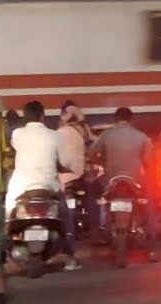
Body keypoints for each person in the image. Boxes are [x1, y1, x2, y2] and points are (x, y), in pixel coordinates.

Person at [7, 100, 80, 270]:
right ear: (43, 116)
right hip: (49, 188)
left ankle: (6, 242)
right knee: (65, 217)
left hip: (21, 187)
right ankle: (70, 257)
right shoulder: (55, 135)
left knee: (9, 214)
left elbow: (14, 148)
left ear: (25, 117)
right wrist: (63, 166)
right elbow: (64, 161)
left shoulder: (17, 134)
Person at [88, 107, 161, 262]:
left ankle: (98, 231)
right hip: (135, 180)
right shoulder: (141, 136)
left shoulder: (106, 135)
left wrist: (105, 163)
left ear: (115, 119)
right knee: (148, 207)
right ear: (131, 120)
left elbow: (91, 154)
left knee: (97, 196)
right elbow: (149, 161)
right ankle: (152, 249)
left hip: (111, 178)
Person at [57, 101, 100, 237]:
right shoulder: (84, 130)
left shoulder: (58, 131)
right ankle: (95, 229)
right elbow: (92, 148)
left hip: (63, 177)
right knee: (93, 195)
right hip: (82, 174)